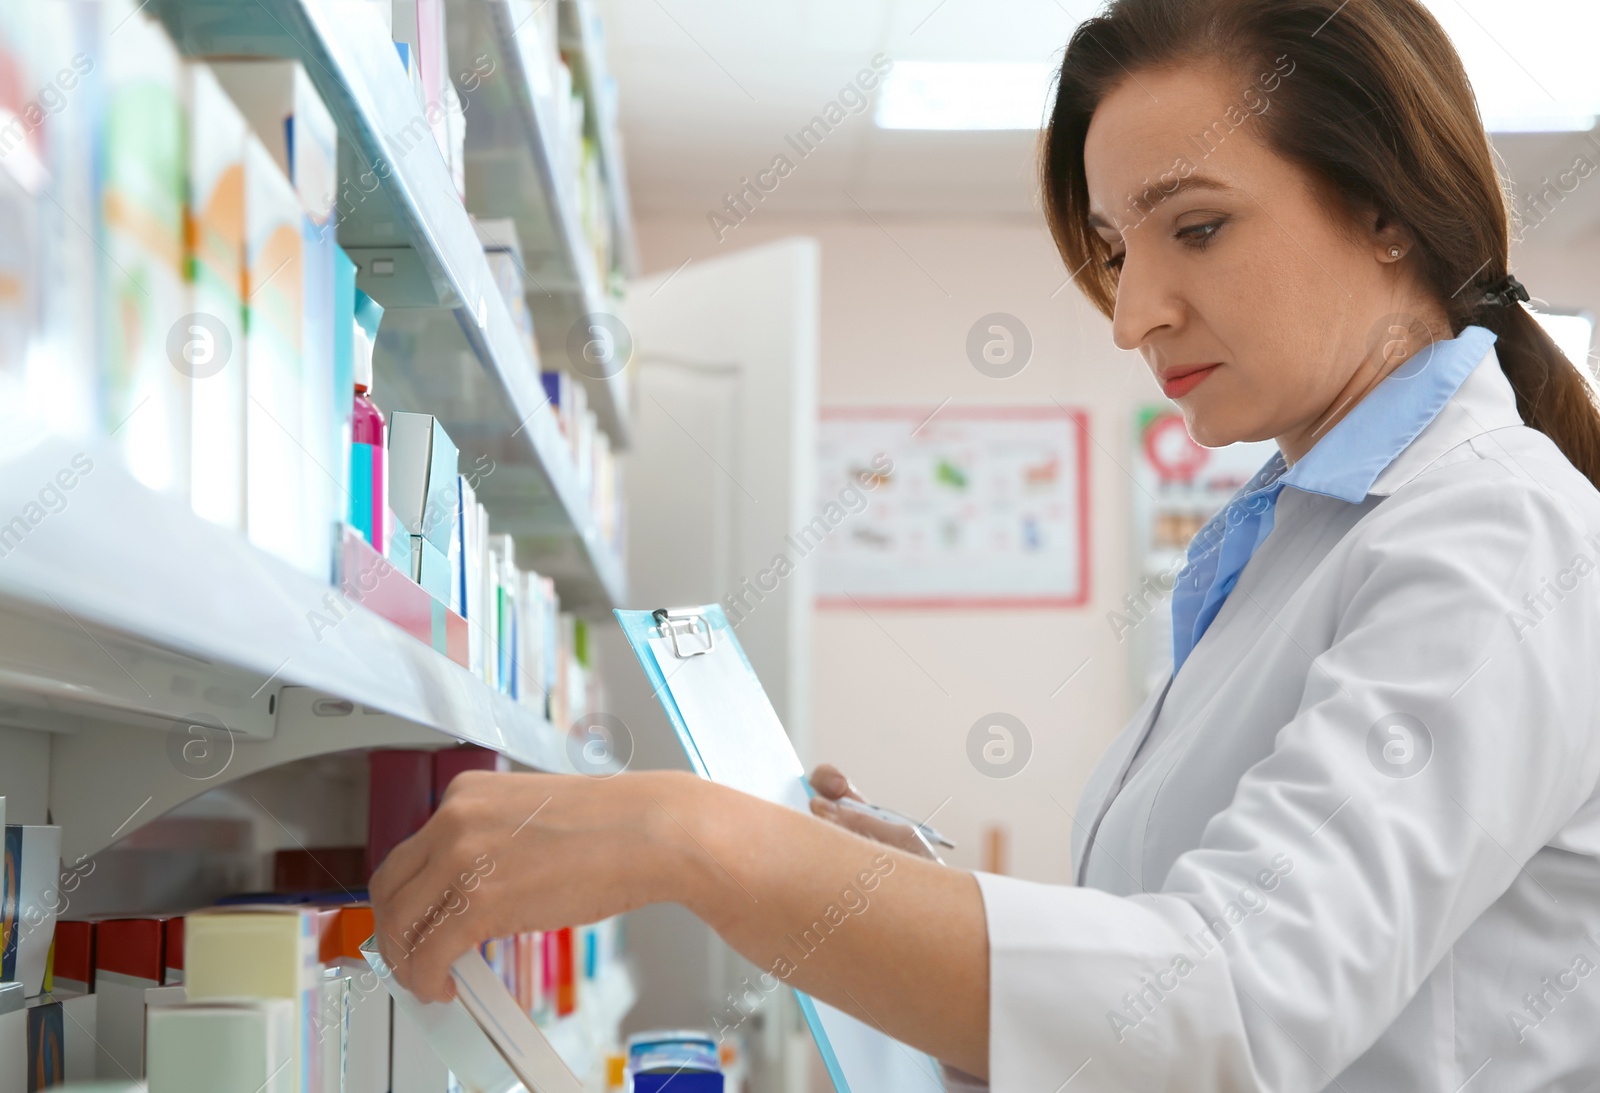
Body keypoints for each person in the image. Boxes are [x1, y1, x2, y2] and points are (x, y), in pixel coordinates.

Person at [370, 0, 1600, 1087]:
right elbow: (1168, 958)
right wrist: (900, 891)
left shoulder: (1489, 534)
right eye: (1118, 249)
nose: (1130, 314)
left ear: (1385, 210)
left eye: (1199, 228)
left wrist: (701, 841)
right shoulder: (1303, 533)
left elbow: (1225, 1013)